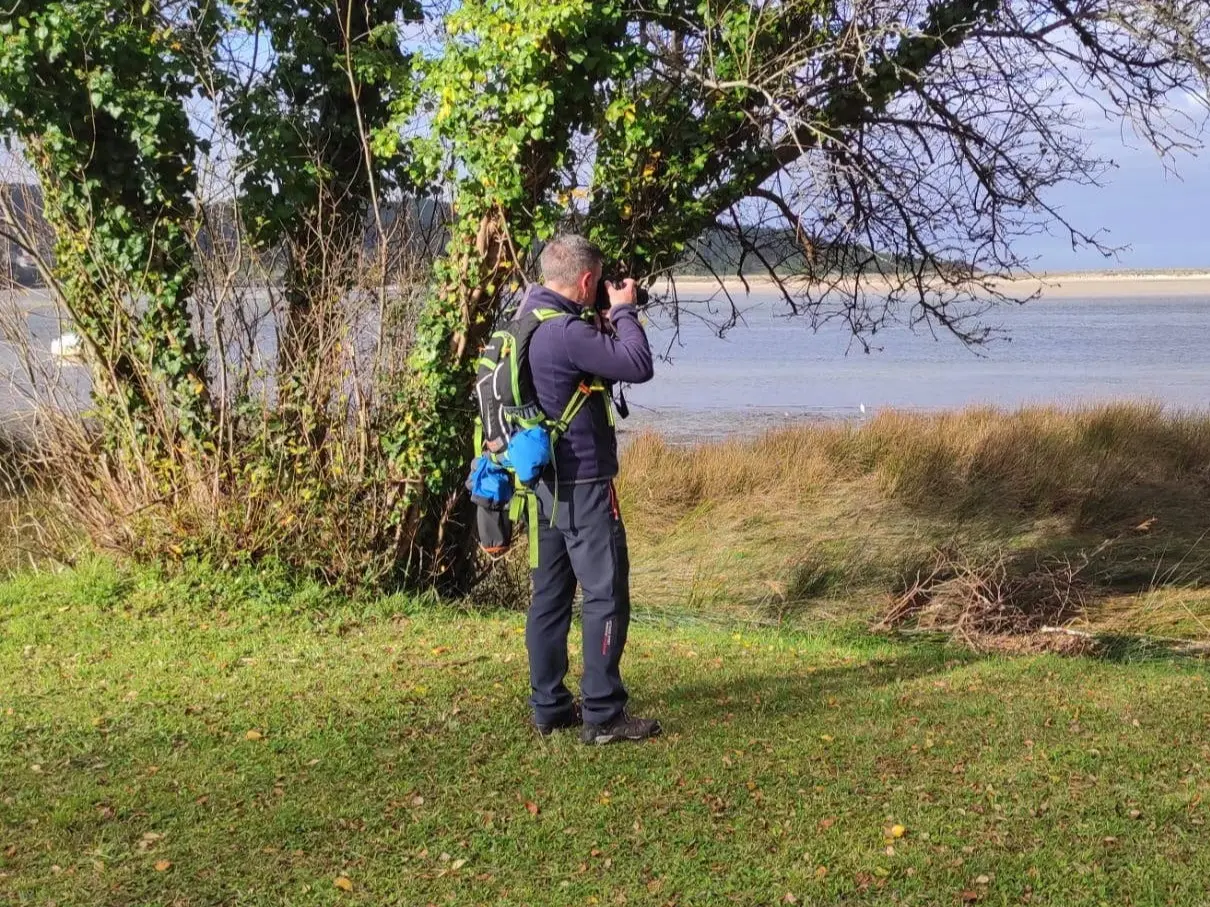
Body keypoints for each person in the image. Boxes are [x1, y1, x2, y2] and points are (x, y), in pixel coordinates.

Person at [519, 233, 661, 745]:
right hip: (582, 481)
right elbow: (638, 365)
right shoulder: (567, 334)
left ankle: (549, 706)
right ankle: (603, 713)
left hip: (543, 483)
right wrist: (623, 312)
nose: (602, 289)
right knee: (604, 593)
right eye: (598, 283)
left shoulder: (528, 318)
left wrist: (602, 320)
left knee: (550, 596)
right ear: (585, 280)